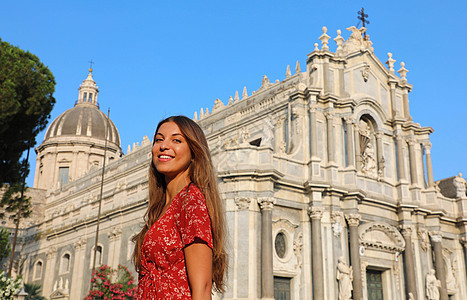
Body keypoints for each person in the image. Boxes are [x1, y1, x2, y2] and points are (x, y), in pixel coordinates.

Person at [132, 116, 227, 299]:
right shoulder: (161, 208)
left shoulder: (190, 201)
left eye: (176, 140)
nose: (163, 146)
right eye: (159, 139)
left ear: (194, 152)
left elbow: (203, 287)